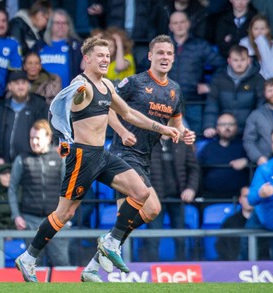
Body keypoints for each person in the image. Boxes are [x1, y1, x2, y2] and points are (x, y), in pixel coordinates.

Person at [14, 36, 182, 282]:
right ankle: (28, 257)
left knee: (141, 192)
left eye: (107, 56)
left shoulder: (107, 86)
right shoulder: (80, 85)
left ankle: (111, 242)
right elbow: (57, 108)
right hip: (82, 156)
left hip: (102, 154)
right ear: (87, 59)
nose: (105, 60)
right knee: (64, 214)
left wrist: (163, 129)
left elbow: (128, 113)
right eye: (100, 56)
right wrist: (63, 138)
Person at [81, 35, 195, 281]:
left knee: (140, 216)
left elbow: (177, 123)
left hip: (145, 157)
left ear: (174, 58)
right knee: (149, 208)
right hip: (123, 154)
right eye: (160, 53)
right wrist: (121, 131)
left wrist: (186, 134)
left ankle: (94, 264)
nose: (165, 57)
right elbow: (106, 107)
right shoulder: (133, 82)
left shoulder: (175, 90)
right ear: (150, 56)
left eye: (169, 53)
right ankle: (106, 246)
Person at [8, 119, 69, 266]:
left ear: (48, 138)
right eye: (31, 138)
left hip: (55, 220)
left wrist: (65, 214)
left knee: (62, 264)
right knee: (33, 266)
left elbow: (67, 189)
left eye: (38, 138)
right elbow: (12, 189)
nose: (34, 142)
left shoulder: (60, 158)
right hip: (30, 220)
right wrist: (16, 216)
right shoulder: (22, 159)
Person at [140, 136, 200, 262]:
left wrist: (191, 188)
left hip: (178, 198)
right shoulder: (146, 142)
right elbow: (139, 169)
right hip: (154, 198)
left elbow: (194, 169)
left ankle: (182, 268)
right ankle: (151, 269)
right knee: (153, 237)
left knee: (180, 238)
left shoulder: (183, 143)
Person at [168, 10, 225, 134]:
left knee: (194, 140)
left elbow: (221, 65)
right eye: (175, 23)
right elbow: (146, 67)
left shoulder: (200, 45)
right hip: (167, 103)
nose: (179, 26)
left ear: (188, 24)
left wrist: (210, 86)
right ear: (170, 26)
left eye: (182, 22)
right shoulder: (163, 46)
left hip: (193, 102)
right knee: (167, 143)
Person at [0, 70, 49, 167]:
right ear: (9, 86)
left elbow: (48, 133)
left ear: (28, 85)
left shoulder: (39, 106)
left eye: (23, 83)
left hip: (31, 166)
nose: (20, 87)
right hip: (4, 167)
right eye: (16, 83)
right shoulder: (1, 107)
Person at [202, 45, 264, 137]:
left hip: (249, 132)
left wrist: (256, 127)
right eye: (235, 60)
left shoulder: (258, 80)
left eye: (242, 60)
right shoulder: (219, 79)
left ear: (249, 61)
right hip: (224, 131)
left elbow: (261, 107)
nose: (239, 64)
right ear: (229, 61)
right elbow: (212, 104)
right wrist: (209, 126)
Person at [199, 113, 250, 201]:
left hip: (238, 198)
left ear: (236, 127)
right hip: (210, 197)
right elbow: (198, 169)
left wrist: (247, 161)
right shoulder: (209, 147)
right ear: (217, 128)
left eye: (231, 124)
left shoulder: (244, 146)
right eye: (223, 124)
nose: (227, 128)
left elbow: (255, 163)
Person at [39, 9, 83, 88]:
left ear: (69, 26)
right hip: (41, 95)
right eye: (57, 23)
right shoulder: (39, 45)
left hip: (68, 95)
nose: (60, 26)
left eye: (64, 23)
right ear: (51, 25)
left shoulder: (77, 47)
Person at [239, 14, 273, 79]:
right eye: (256, 29)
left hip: (269, 83)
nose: (259, 32)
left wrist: (262, 43)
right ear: (251, 30)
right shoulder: (244, 44)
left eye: (262, 29)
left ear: (268, 30)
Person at [215, 186, 253, 260]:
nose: (249, 199)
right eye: (246, 196)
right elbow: (221, 245)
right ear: (240, 200)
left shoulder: (262, 222)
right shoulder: (230, 222)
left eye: (251, 197)